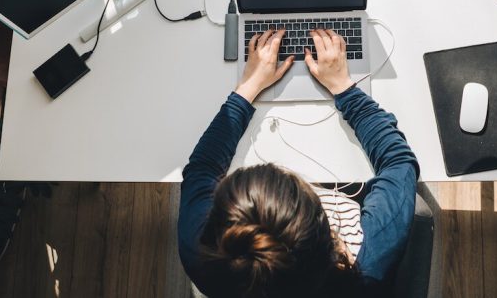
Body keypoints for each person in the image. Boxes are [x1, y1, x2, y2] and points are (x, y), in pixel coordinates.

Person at [178, 28, 419, 297]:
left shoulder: (199, 253)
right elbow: (399, 163)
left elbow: (203, 167)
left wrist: (248, 87)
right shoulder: (364, 267)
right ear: (328, 231)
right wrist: (344, 88)